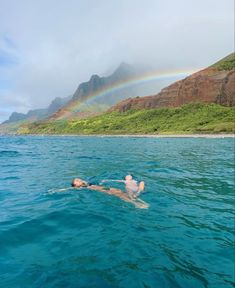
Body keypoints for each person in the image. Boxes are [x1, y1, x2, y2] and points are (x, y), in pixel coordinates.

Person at [71, 178, 148, 209]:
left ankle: (138, 200)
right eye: (76, 181)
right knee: (121, 195)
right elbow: (69, 188)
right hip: (105, 191)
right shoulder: (81, 187)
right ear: (76, 185)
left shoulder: (86, 183)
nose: (78, 179)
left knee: (123, 193)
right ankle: (136, 204)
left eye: (78, 179)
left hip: (107, 189)